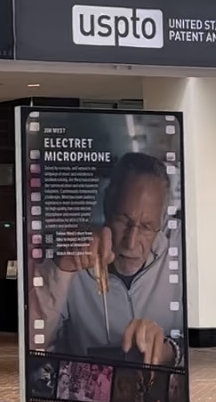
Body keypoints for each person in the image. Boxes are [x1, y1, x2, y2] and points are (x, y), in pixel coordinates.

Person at [28, 152, 185, 367]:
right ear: (107, 206)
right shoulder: (69, 256)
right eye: (123, 220)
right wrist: (60, 272)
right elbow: (33, 349)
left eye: (147, 227)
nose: (131, 243)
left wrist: (170, 351)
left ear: (163, 220)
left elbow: (211, 347)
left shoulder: (182, 248)